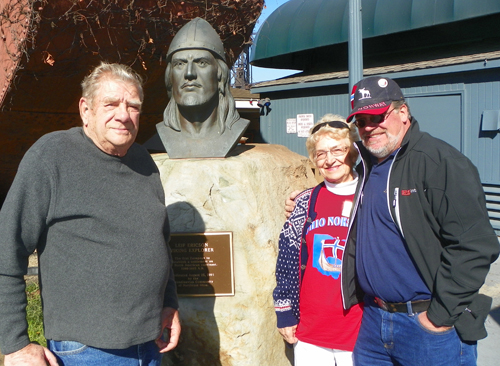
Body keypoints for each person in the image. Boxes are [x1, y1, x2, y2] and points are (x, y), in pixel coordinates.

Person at [286, 76, 499, 365]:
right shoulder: (369, 165)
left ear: (402, 112)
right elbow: (339, 184)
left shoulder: (438, 161)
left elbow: (475, 245)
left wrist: (439, 315)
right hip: (373, 323)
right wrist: (306, 198)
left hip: (427, 326)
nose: (370, 127)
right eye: (361, 121)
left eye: (377, 116)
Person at [0, 62, 180, 365]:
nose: (123, 115)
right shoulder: (52, 156)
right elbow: (6, 249)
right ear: (86, 109)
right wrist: (16, 344)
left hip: (150, 345)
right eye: (111, 104)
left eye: (133, 106)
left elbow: (158, 243)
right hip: (86, 352)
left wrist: (168, 304)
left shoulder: (144, 162)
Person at [274, 114, 363, 366]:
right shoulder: (304, 202)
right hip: (311, 330)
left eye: (337, 150)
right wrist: (285, 313)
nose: (329, 159)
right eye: (320, 153)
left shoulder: (370, 198)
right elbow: (287, 261)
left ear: (353, 152)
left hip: (359, 330)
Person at [156, 17, 249, 158]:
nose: (189, 73)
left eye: (202, 63)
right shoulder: (162, 131)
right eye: (179, 64)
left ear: (220, 75)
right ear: (170, 77)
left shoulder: (236, 128)